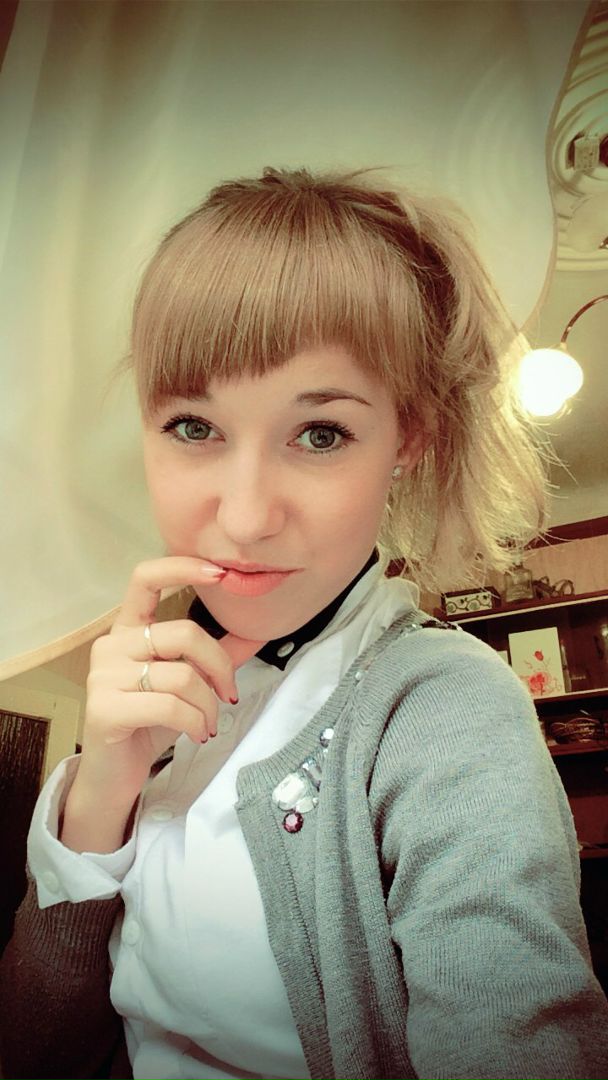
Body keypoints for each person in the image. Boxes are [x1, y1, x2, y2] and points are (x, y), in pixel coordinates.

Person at [1, 165, 607, 1080]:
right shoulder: (152, 695)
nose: (245, 517)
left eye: (320, 434)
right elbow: (32, 1052)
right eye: (194, 426)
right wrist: (99, 797)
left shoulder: (443, 707)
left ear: (408, 441)